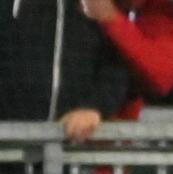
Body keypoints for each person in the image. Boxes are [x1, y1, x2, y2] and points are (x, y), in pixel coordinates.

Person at [0, 0, 132, 142]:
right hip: (8, 145)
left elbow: (117, 66)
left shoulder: (97, 5)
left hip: (74, 147)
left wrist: (95, 107)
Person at [80, 0, 173, 122]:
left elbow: (162, 77)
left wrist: (111, 19)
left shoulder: (156, 10)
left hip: (113, 131)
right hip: (68, 122)